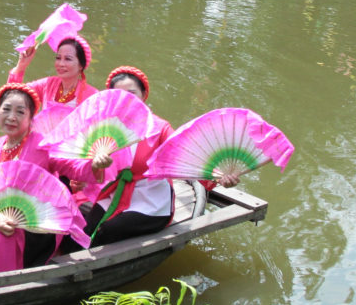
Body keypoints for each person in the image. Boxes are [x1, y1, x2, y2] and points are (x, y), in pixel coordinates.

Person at [62, 67, 238, 250]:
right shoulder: (105, 127)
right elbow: (83, 161)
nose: (127, 101)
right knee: (83, 229)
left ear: (144, 94)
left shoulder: (159, 128)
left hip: (150, 198)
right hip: (115, 191)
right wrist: (90, 168)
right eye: (119, 95)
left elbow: (185, 155)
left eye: (132, 94)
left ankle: (90, 267)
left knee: (110, 229)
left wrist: (219, 176)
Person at [0, 83, 98, 278]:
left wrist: (95, 165)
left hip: (35, 226)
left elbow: (73, 169)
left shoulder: (43, 145)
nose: (11, 117)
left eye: (20, 112)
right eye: (6, 109)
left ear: (30, 117)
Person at [8, 35, 98, 110]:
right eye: (58, 58)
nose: (61, 63)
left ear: (81, 66)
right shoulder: (48, 84)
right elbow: (12, 96)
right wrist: (21, 65)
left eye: (68, 59)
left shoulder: (93, 97)